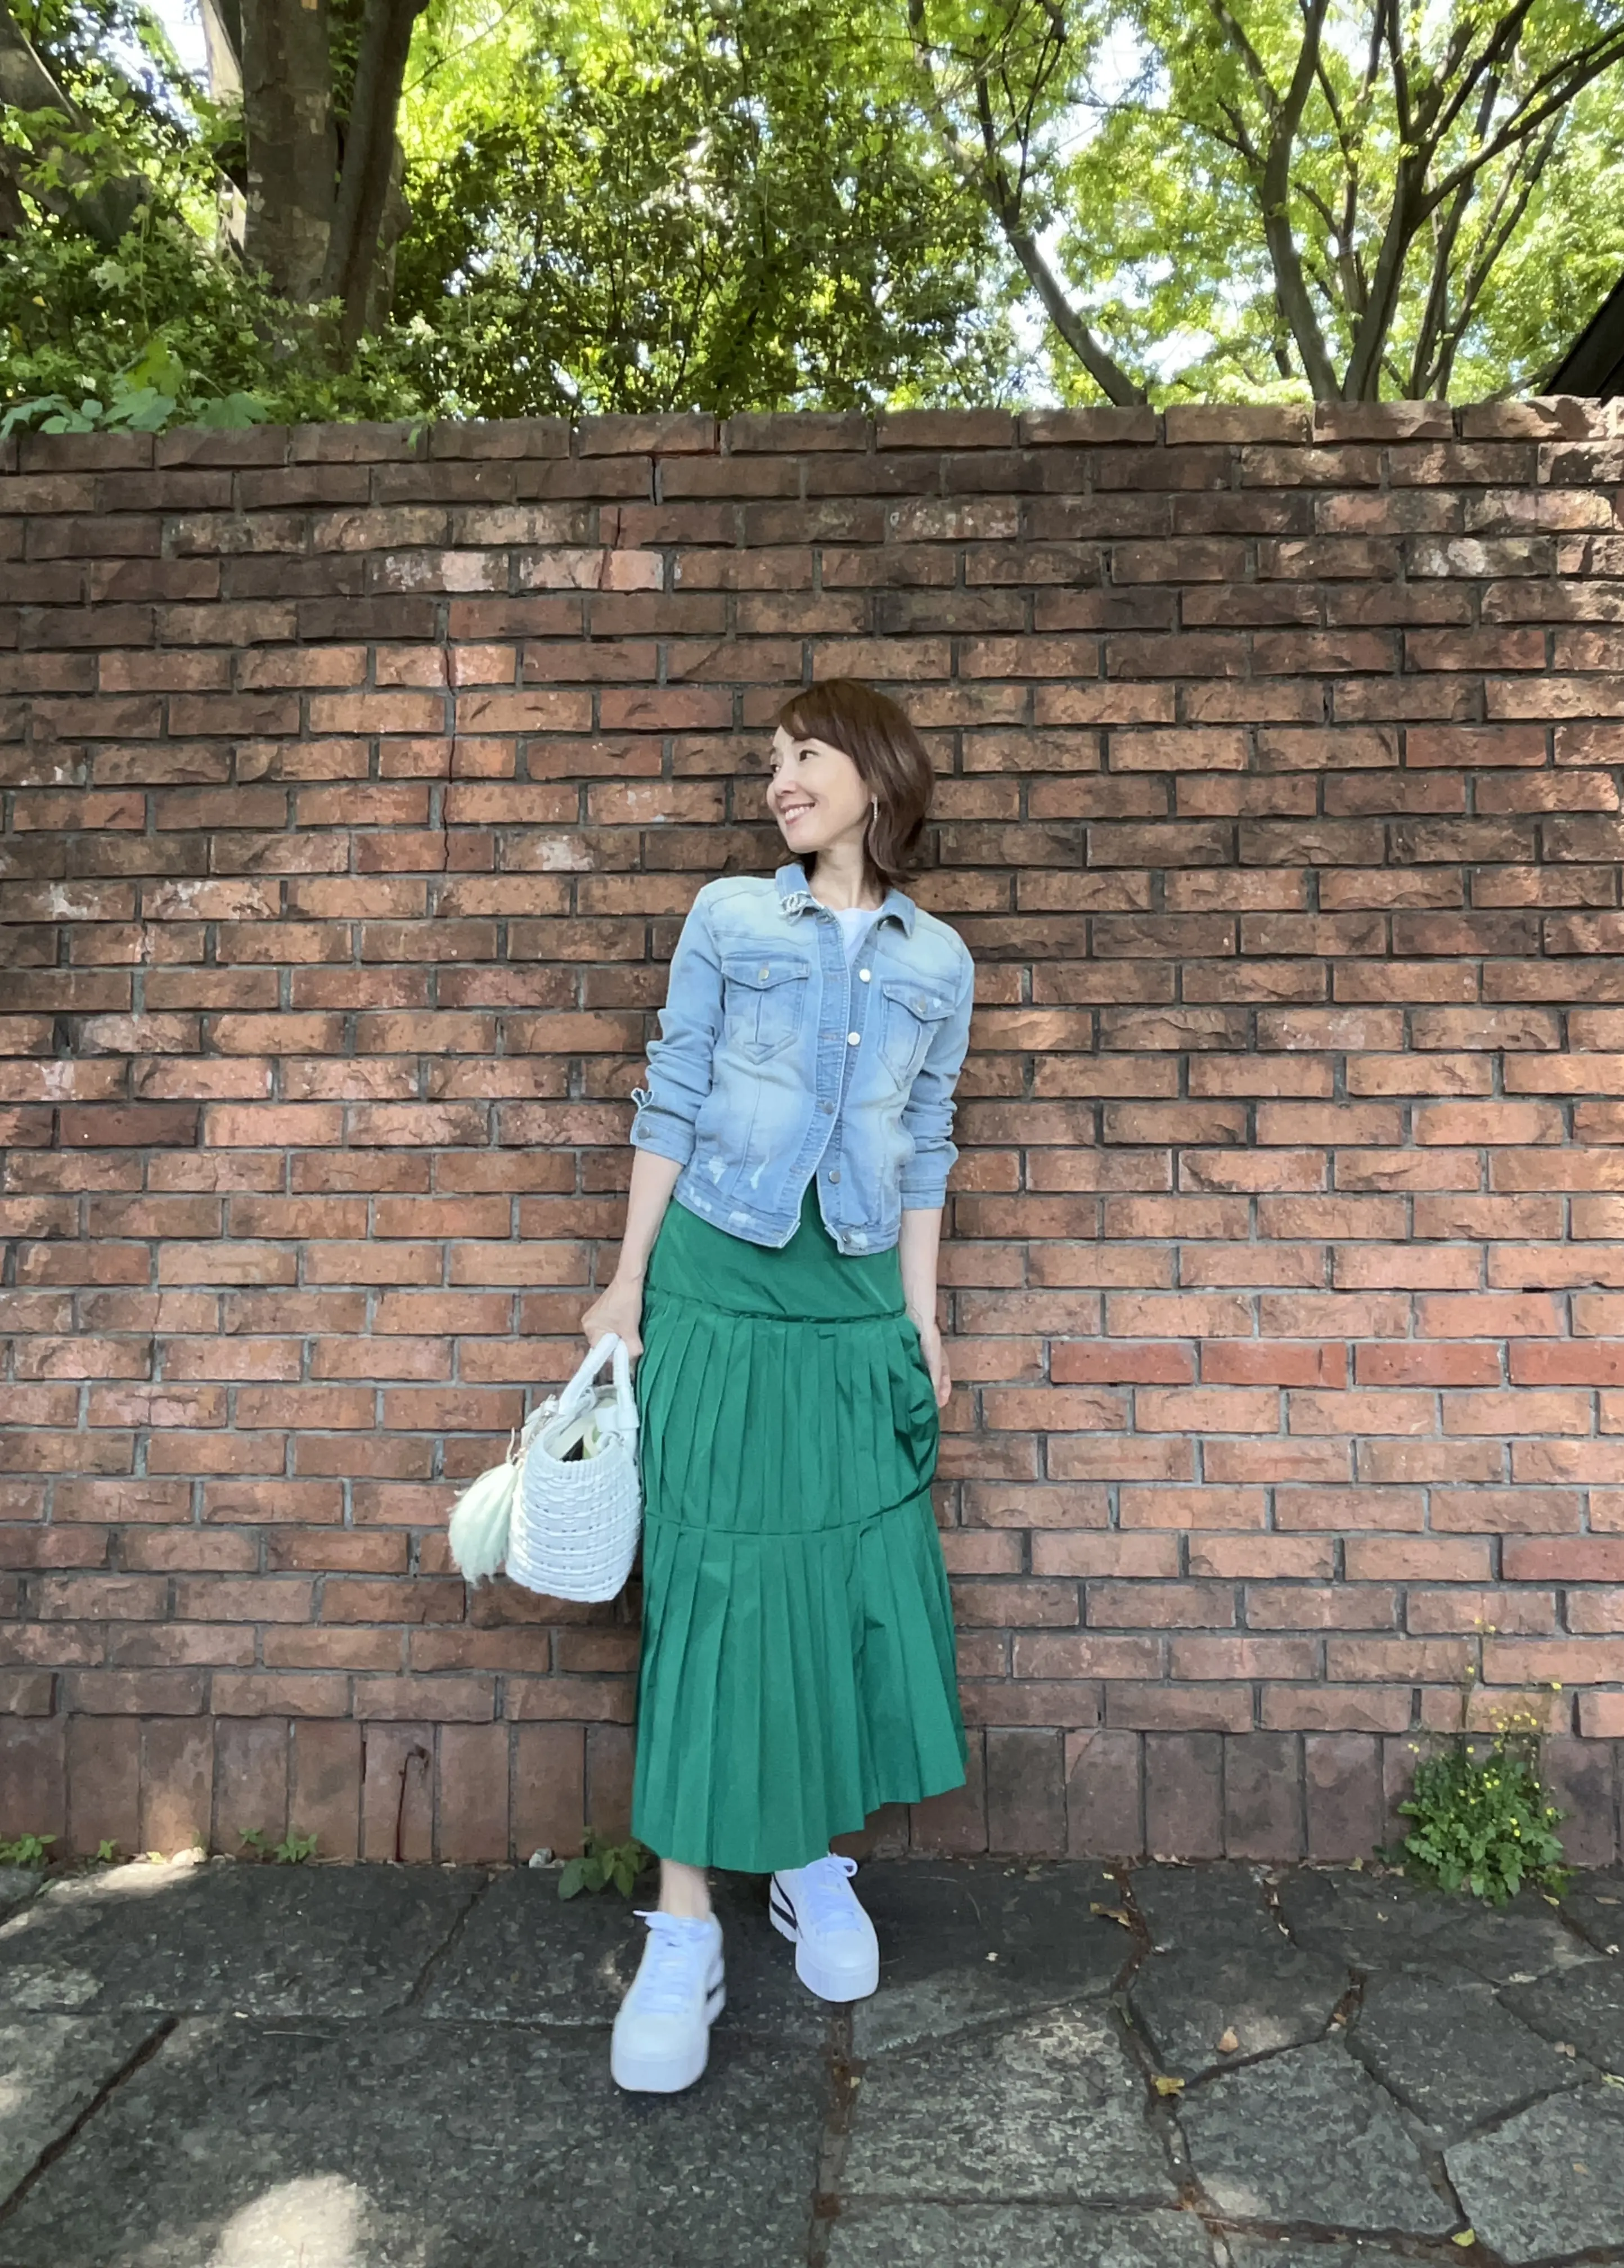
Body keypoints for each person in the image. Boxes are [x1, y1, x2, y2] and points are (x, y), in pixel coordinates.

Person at [579, 676, 975, 2094]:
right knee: (710, 1583)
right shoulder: (730, 919)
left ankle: (811, 1858)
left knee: (838, 1586)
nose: (779, 781)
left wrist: (923, 1324)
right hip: (720, 1286)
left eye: (804, 755)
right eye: (770, 762)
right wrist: (626, 1284)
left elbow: (927, 1146)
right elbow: (671, 1094)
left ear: (875, 774)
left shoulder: (940, 962)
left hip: (856, 1298)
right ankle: (683, 1923)